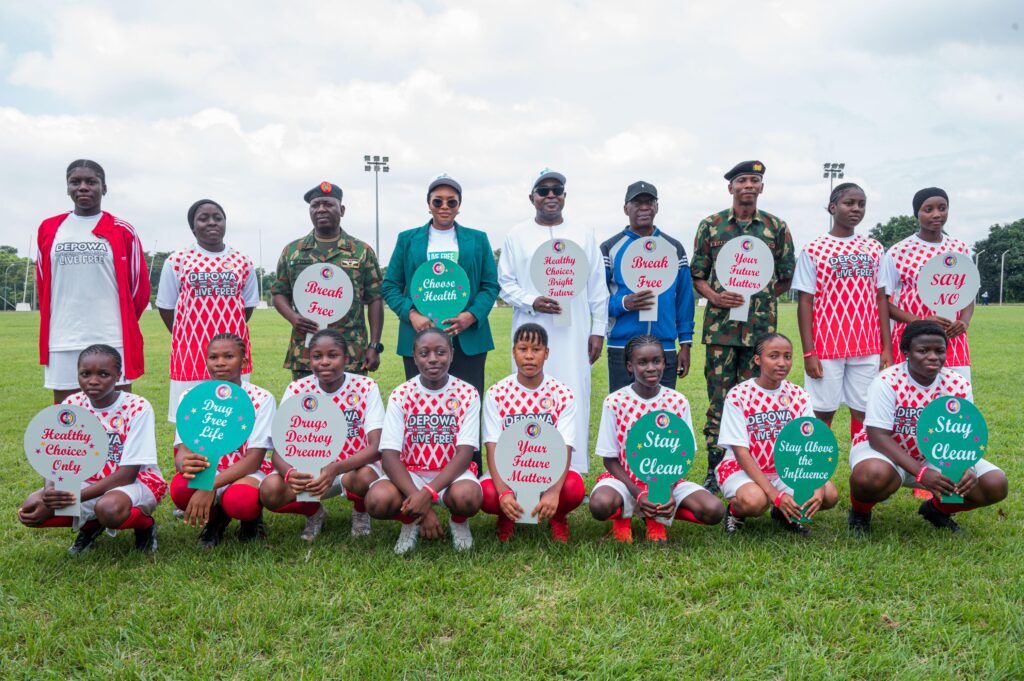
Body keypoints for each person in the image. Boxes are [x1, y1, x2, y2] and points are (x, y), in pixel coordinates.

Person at [382, 175, 499, 475]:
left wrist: (471, 315)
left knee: (467, 406)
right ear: (429, 204)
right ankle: (417, 471)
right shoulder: (408, 239)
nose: (444, 206)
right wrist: (411, 314)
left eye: (451, 201)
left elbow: (490, 286)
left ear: (459, 206)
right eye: (438, 201)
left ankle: (470, 474)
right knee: (420, 408)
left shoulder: (478, 239)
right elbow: (391, 286)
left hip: (467, 339)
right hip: (420, 339)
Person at [691, 160, 795, 494]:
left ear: (761, 187)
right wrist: (715, 297)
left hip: (760, 333)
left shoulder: (776, 227)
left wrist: (759, 295)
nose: (748, 185)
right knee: (719, 399)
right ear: (731, 187)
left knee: (756, 401)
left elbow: (786, 276)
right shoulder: (711, 226)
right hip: (720, 330)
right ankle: (714, 468)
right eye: (742, 181)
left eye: (754, 180)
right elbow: (697, 275)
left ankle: (752, 467)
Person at [847, 320, 1008, 534]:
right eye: (923, 351)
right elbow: (877, 437)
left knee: (994, 484)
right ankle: (860, 513)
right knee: (871, 476)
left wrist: (967, 465)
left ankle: (936, 510)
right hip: (886, 452)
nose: (933, 356)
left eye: (939, 351)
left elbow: (963, 436)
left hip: (935, 454)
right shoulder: (887, 381)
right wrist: (921, 472)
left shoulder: (957, 384)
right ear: (906, 352)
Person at [498, 169, 609, 474]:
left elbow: (597, 287)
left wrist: (598, 330)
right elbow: (505, 283)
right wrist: (531, 301)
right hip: (531, 330)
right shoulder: (516, 235)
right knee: (528, 396)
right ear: (531, 197)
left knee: (574, 394)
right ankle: (528, 468)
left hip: (575, 333)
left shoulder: (583, 234)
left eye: (556, 190)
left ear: (564, 196)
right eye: (543, 190)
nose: (550, 195)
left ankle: (572, 471)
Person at [17, 345, 166, 554]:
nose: (93, 381)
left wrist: (72, 497)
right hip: (88, 479)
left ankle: (144, 525)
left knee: (108, 509)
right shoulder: (72, 404)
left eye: (103, 374)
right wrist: (51, 489)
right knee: (32, 506)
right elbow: (57, 455)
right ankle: (91, 526)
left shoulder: (137, 407)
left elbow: (127, 474)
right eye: (85, 374)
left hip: (136, 481)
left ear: (118, 375)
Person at [589, 335, 725, 543]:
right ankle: (622, 520)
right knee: (600, 504)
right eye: (642, 362)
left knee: (714, 510)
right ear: (629, 366)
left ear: (664, 363)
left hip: (666, 481)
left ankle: (656, 517)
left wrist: (665, 491)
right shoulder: (615, 402)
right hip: (625, 481)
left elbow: (681, 457)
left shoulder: (677, 402)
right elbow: (609, 459)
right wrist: (638, 493)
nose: (651, 368)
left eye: (657, 361)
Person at [36, 159, 151, 404]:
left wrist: (120, 321)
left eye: (91, 181)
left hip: (111, 336)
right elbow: (43, 283)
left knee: (117, 410)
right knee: (67, 413)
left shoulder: (122, 230)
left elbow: (139, 289)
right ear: (67, 188)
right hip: (63, 337)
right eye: (75, 182)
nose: (83, 187)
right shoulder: (49, 228)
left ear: (104, 188)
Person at [260, 329, 385, 542]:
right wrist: (290, 473)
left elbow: (376, 447)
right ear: (309, 361)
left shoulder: (365, 387)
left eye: (333, 355)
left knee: (365, 477)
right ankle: (313, 512)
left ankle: (360, 511)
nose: (324, 362)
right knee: (270, 491)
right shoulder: (298, 389)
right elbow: (279, 450)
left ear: (346, 359)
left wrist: (335, 468)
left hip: (351, 469)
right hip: (310, 471)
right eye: (317, 356)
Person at [365, 328, 482, 554]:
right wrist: (422, 507)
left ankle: (459, 521)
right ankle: (410, 521)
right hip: (411, 474)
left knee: (468, 497)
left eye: (441, 352)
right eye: (424, 353)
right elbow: (389, 457)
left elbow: (465, 454)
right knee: (377, 500)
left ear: (452, 354)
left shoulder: (467, 393)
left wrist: (427, 493)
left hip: (451, 475)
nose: (433, 359)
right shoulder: (402, 394)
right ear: (414, 356)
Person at [793, 183, 892, 439]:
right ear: (832, 207)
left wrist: (886, 347)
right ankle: (815, 463)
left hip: (867, 344)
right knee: (822, 412)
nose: (856, 209)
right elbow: (805, 302)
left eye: (861, 204)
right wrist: (808, 352)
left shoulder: (874, 248)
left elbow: (881, 298)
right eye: (849, 203)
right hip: (826, 345)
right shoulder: (814, 249)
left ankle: (862, 460)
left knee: (864, 411)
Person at [715, 333, 839, 535]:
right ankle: (735, 512)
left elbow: (811, 443)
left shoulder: (798, 395)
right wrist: (774, 494)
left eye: (787, 356)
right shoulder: (739, 395)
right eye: (773, 356)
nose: (782, 363)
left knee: (829, 494)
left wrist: (817, 485)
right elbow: (741, 452)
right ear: (757, 360)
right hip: (743, 467)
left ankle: (785, 513)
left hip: (786, 468)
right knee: (756, 501)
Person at [169, 333, 277, 548]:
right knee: (181, 489)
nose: (220, 363)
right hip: (210, 468)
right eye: (213, 357)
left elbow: (253, 460)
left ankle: (251, 520)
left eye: (229, 356)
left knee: (240, 500)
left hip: (246, 471)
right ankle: (216, 521)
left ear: (243, 362)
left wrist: (209, 486)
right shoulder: (191, 396)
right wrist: (184, 463)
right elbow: (183, 450)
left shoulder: (261, 398)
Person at [480, 323, 584, 543]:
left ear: (546, 353)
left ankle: (557, 516)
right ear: (513, 352)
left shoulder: (562, 394)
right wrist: (503, 492)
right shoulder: (497, 393)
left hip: (549, 470)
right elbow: (492, 445)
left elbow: (565, 445)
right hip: (509, 472)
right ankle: (506, 516)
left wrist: (554, 491)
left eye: (536, 349)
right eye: (522, 349)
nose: (529, 356)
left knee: (574, 488)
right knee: (487, 494)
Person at [156, 199, 259, 421]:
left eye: (217, 218)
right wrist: (187, 335)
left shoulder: (243, 261)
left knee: (232, 416)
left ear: (225, 223)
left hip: (233, 353)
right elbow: (166, 307)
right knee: (191, 419)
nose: (212, 223)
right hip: (191, 352)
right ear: (193, 227)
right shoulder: (177, 261)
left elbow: (247, 307)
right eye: (203, 219)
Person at [272, 181, 384, 381]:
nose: (321, 209)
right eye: (315, 205)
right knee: (307, 400)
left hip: (351, 349)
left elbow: (375, 298)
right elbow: (279, 292)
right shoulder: (293, 251)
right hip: (307, 350)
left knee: (351, 401)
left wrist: (374, 345)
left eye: (328, 204)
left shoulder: (361, 251)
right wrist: (293, 317)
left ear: (342, 210)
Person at [602, 180, 695, 392]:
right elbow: (596, 299)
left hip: (664, 345)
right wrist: (623, 303)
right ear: (625, 208)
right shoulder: (610, 247)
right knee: (622, 406)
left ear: (657, 207)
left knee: (663, 408)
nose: (644, 207)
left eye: (649, 202)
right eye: (637, 203)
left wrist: (685, 344)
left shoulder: (674, 248)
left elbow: (684, 299)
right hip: (622, 345)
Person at [883, 188, 974, 382]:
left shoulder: (959, 248)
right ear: (917, 213)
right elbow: (883, 302)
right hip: (914, 340)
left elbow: (968, 291)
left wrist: (964, 321)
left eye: (942, 208)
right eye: (928, 209)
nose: (937, 214)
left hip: (952, 337)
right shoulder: (899, 251)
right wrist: (919, 321)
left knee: (955, 393)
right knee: (912, 395)